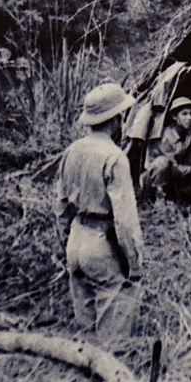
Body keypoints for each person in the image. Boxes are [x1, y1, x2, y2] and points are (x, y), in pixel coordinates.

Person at [55, 82, 144, 350]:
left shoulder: (72, 151)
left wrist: (65, 244)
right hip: (101, 243)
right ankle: (111, 377)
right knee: (116, 318)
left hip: (76, 240)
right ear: (115, 119)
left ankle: (86, 380)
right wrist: (134, 262)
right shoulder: (114, 157)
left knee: (86, 328)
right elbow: (125, 221)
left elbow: (60, 208)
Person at [142, 96, 191, 205]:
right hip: (154, 181)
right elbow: (176, 169)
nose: (189, 118)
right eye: (184, 114)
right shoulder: (165, 136)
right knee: (162, 162)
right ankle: (159, 200)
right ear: (174, 116)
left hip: (175, 178)